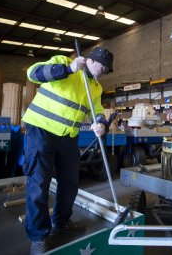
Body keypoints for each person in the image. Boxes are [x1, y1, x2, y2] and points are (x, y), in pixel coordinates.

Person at [21, 47, 113, 254]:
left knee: (70, 183)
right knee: (38, 185)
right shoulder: (63, 62)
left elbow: (97, 110)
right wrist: (68, 69)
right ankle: (38, 237)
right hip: (41, 131)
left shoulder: (95, 87)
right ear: (91, 60)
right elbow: (33, 73)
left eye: (107, 70)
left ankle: (62, 222)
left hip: (68, 137)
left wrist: (101, 124)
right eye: (103, 67)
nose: (104, 72)